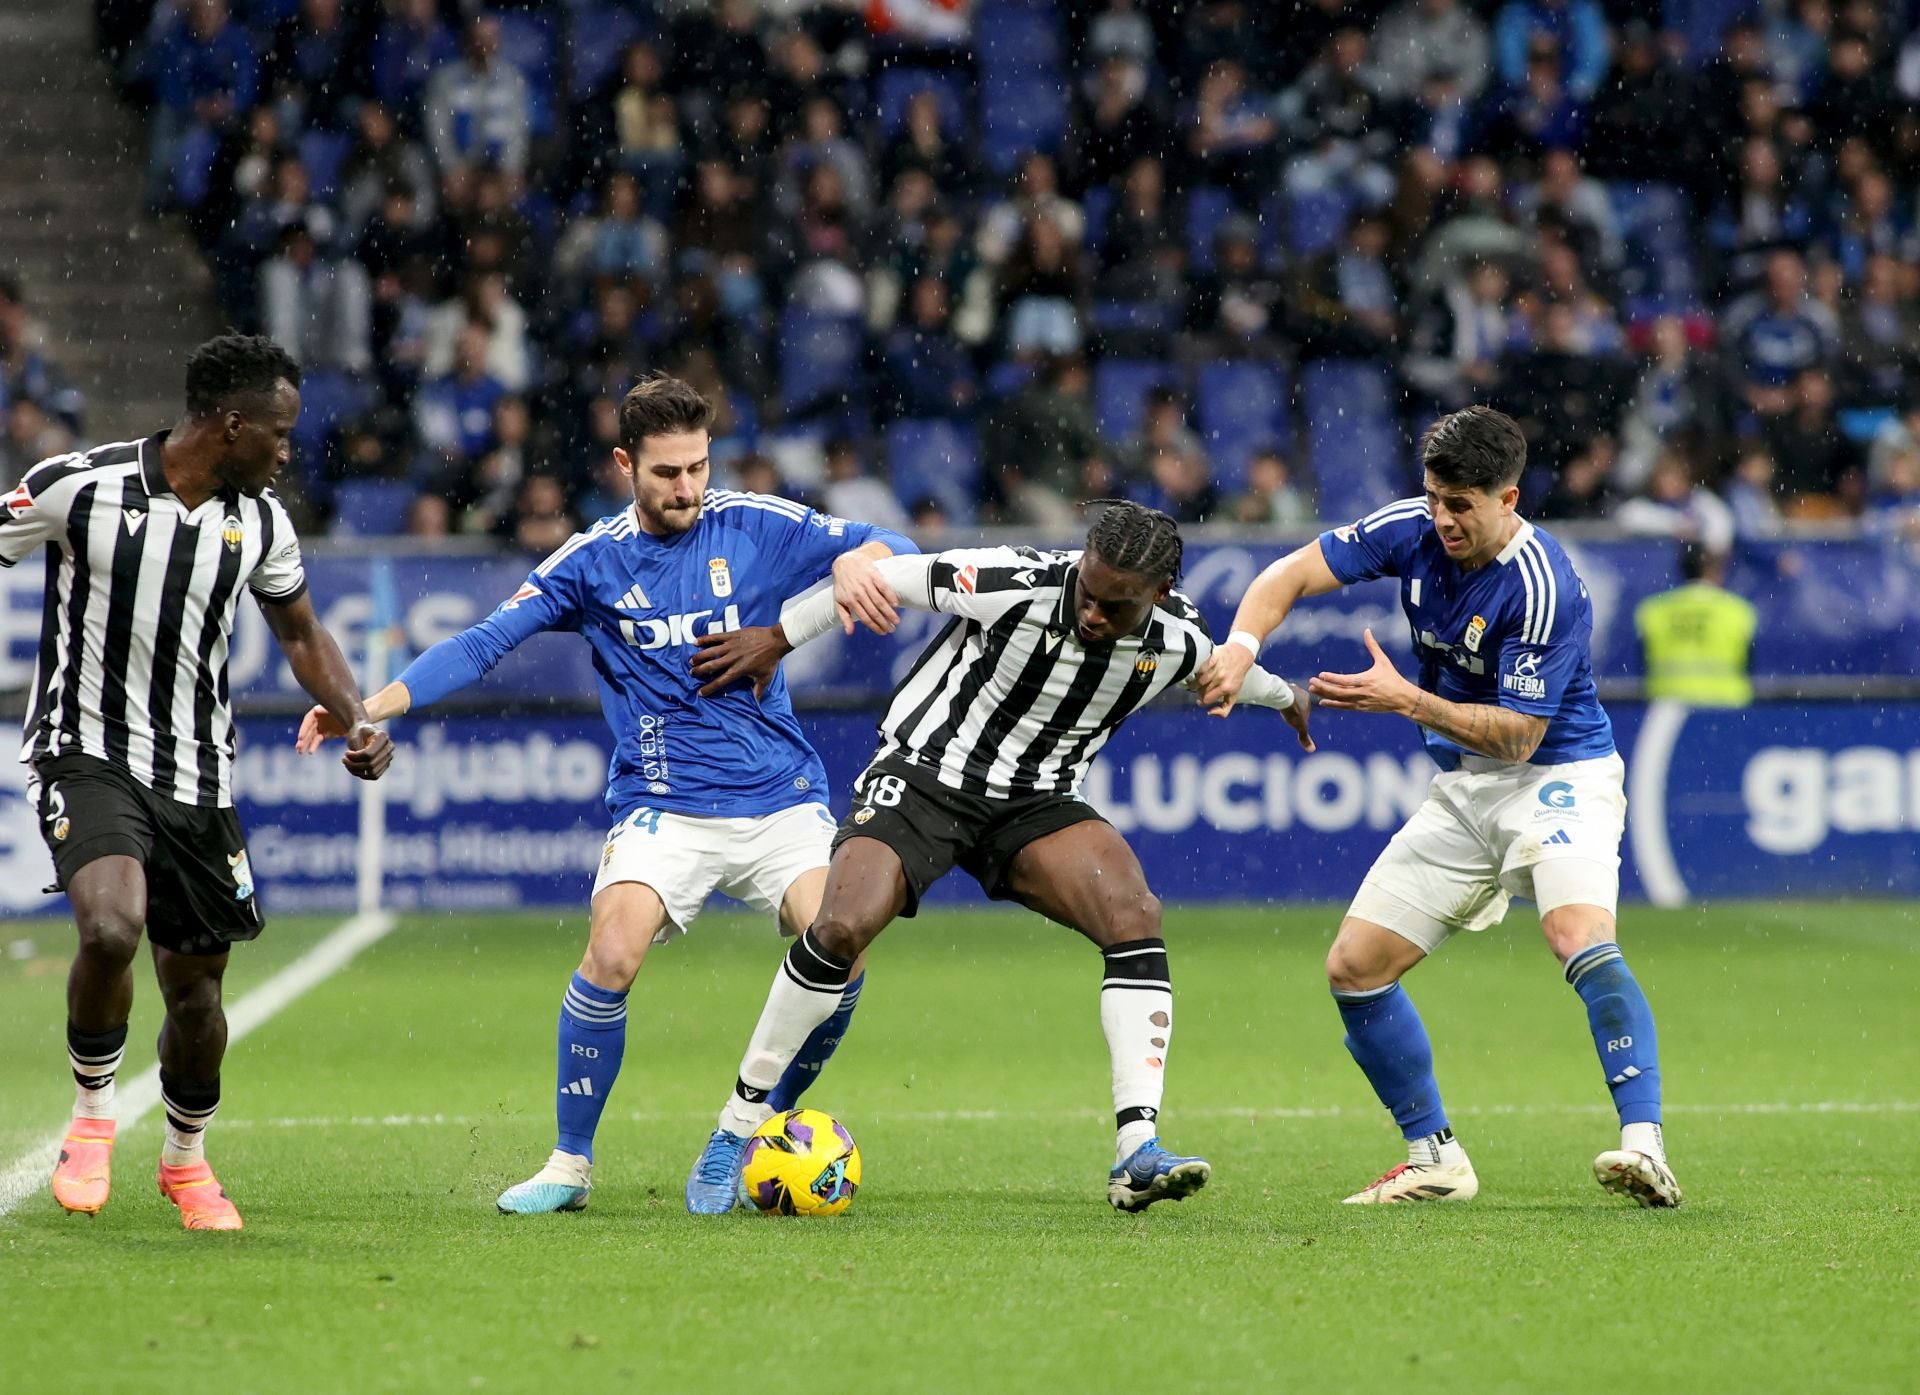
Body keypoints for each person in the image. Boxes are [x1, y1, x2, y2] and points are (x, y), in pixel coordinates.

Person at [297, 375, 916, 1216]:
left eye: (698, 466)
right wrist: (364, 707)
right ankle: (569, 1164)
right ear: (626, 464)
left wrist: (854, 558)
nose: (688, 487)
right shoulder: (590, 563)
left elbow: (888, 540)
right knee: (614, 948)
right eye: (667, 472)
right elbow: (481, 644)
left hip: (779, 798)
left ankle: (761, 1120)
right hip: (662, 803)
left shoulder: (755, 523)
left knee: (839, 939)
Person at [685, 502, 1314, 1212]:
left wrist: (1290, 696)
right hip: (925, 775)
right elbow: (881, 578)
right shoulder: (1012, 578)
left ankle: (1136, 1152)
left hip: (1035, 803)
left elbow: (1226, 672)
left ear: (1159, 596)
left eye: (1115, 605)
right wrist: (777, 636)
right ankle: (733, 1128)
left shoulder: (1176, 639)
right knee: (838, 926)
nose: (1092, 613)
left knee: (1134, 914)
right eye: (1087, 589)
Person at [1198, 406, 1681, 1209]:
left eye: (1462, 504)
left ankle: (1645, 1146)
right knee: (1354, 968)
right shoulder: (1412, 529)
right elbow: (1284, 577)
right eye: (1434, 498)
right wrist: (1240, 650)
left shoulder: (1545, 586)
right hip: (1463, 789)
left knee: (1575, 932)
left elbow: (1522, 737)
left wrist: (1406, 699)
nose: (1443, 519)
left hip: (1559, 776)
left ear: (1509, 498)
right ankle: (1436, 1158)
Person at [4, 334, 395, 1231]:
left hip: (198, 774)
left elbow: (301, 636)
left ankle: (185, 1160)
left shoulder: (258, 521)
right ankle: (94, 1118)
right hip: (85, 747)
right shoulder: (80, 486)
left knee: (196, 992)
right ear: (231, 425)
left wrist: (358, 714)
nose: (289, 452)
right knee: (110, 926)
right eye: (280, 434)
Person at [1634, 543, 1757, 708]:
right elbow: (1750, 665)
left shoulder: (1652, 610)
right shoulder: (1738, 611)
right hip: (1726, 707)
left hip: (1666, 707)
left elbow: (1643, 663)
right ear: (1715, 571)